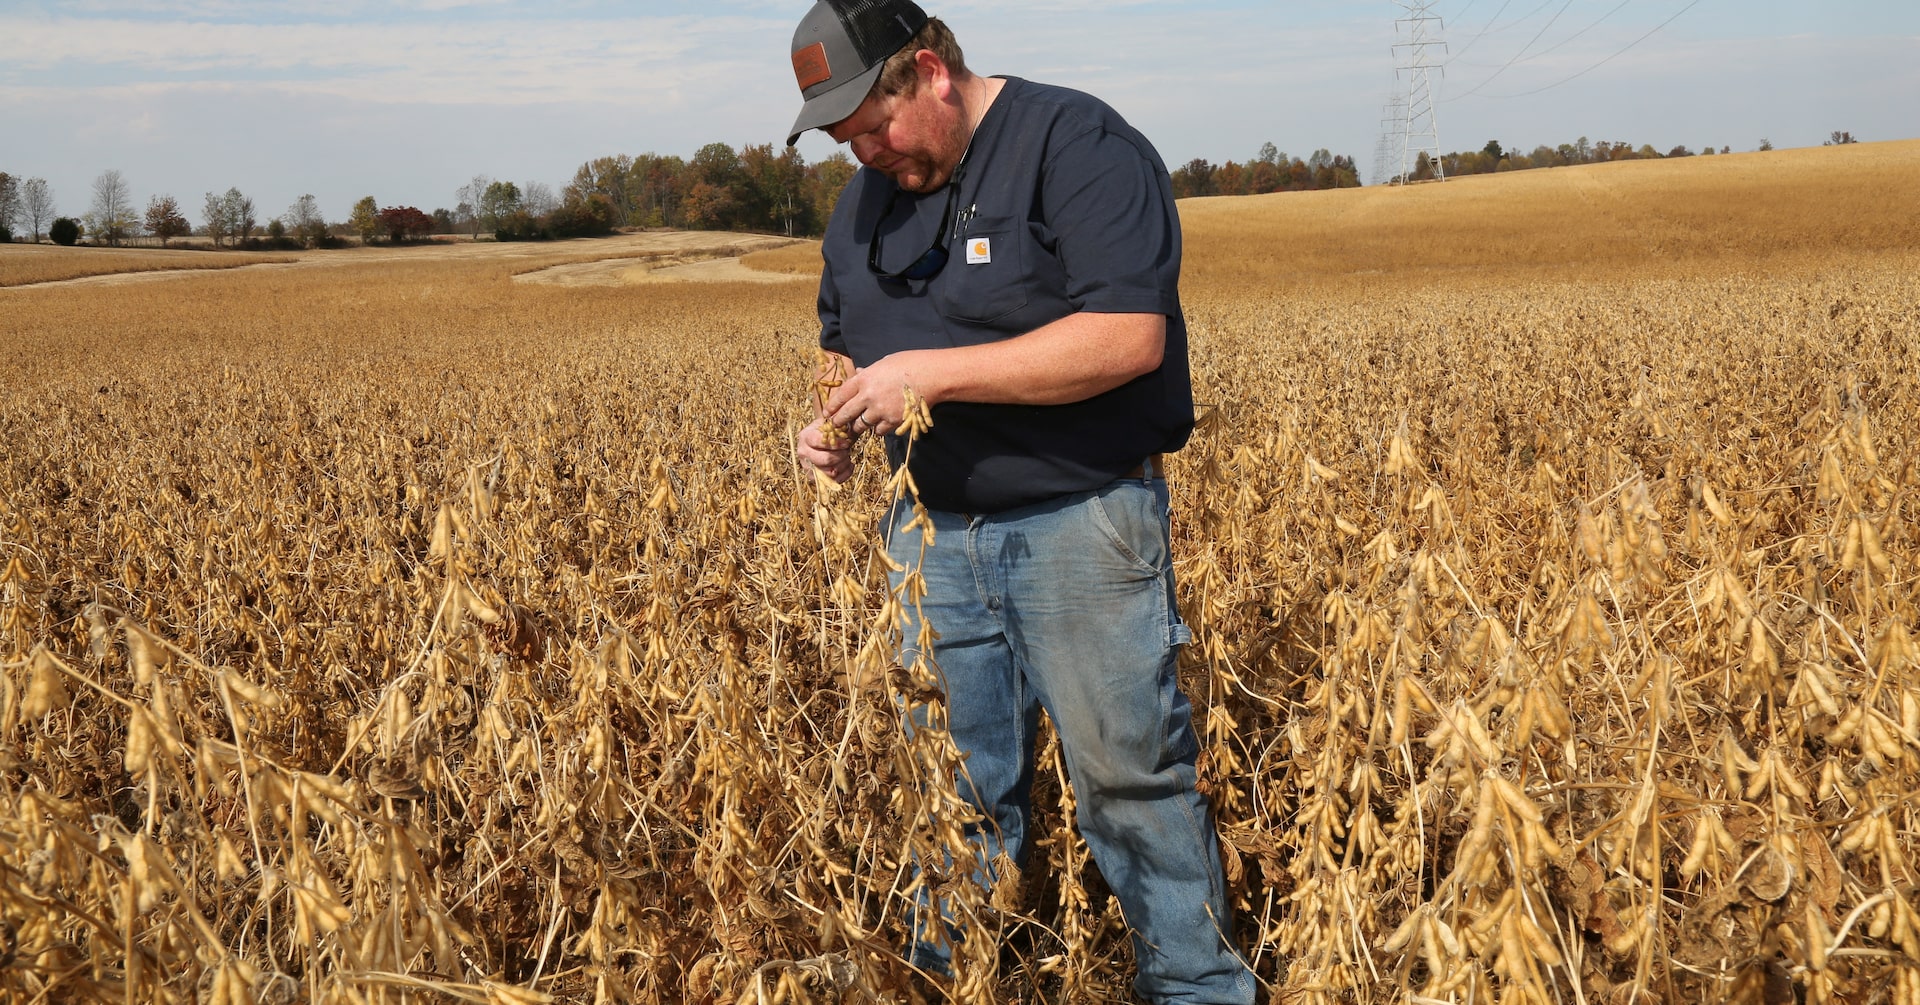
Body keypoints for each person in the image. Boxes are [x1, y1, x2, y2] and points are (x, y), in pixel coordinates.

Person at [787, 2, 1255, 1002]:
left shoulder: (1074, 145)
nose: (866, 153)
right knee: (951, 785)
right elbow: (845, 339)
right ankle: (953, 981)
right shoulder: (867, 198)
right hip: (929, 534)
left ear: (931, 72)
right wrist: (831, 423)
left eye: (876, 124)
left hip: (1077, 523)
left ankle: (1197, 986)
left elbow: (1128, 338)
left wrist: (930, 375)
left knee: (1129, 781)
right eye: (845, 140)